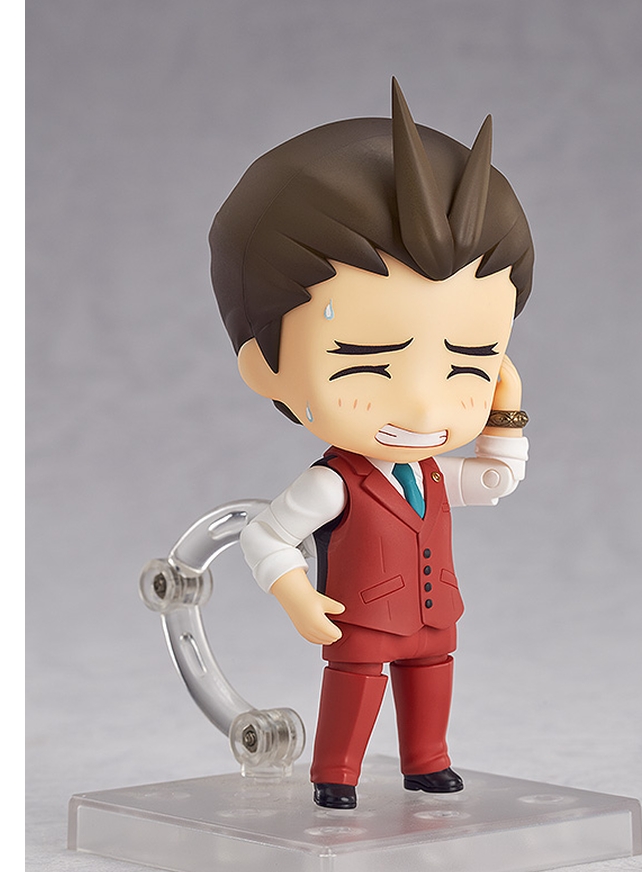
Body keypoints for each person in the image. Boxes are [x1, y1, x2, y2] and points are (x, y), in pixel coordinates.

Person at [209, 79, 534, 809]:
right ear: (266, 365)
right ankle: (336, 775)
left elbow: (494, 482)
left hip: (433, 618)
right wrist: (297, 596)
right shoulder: (334, 483)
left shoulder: (432, 471)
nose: (422, 403)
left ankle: (428, 762)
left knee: (431, 683)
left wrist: (505, 413)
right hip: (359, 620)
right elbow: (267, 535)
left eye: (468, 362)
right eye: (368, 363)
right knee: (355, 690)